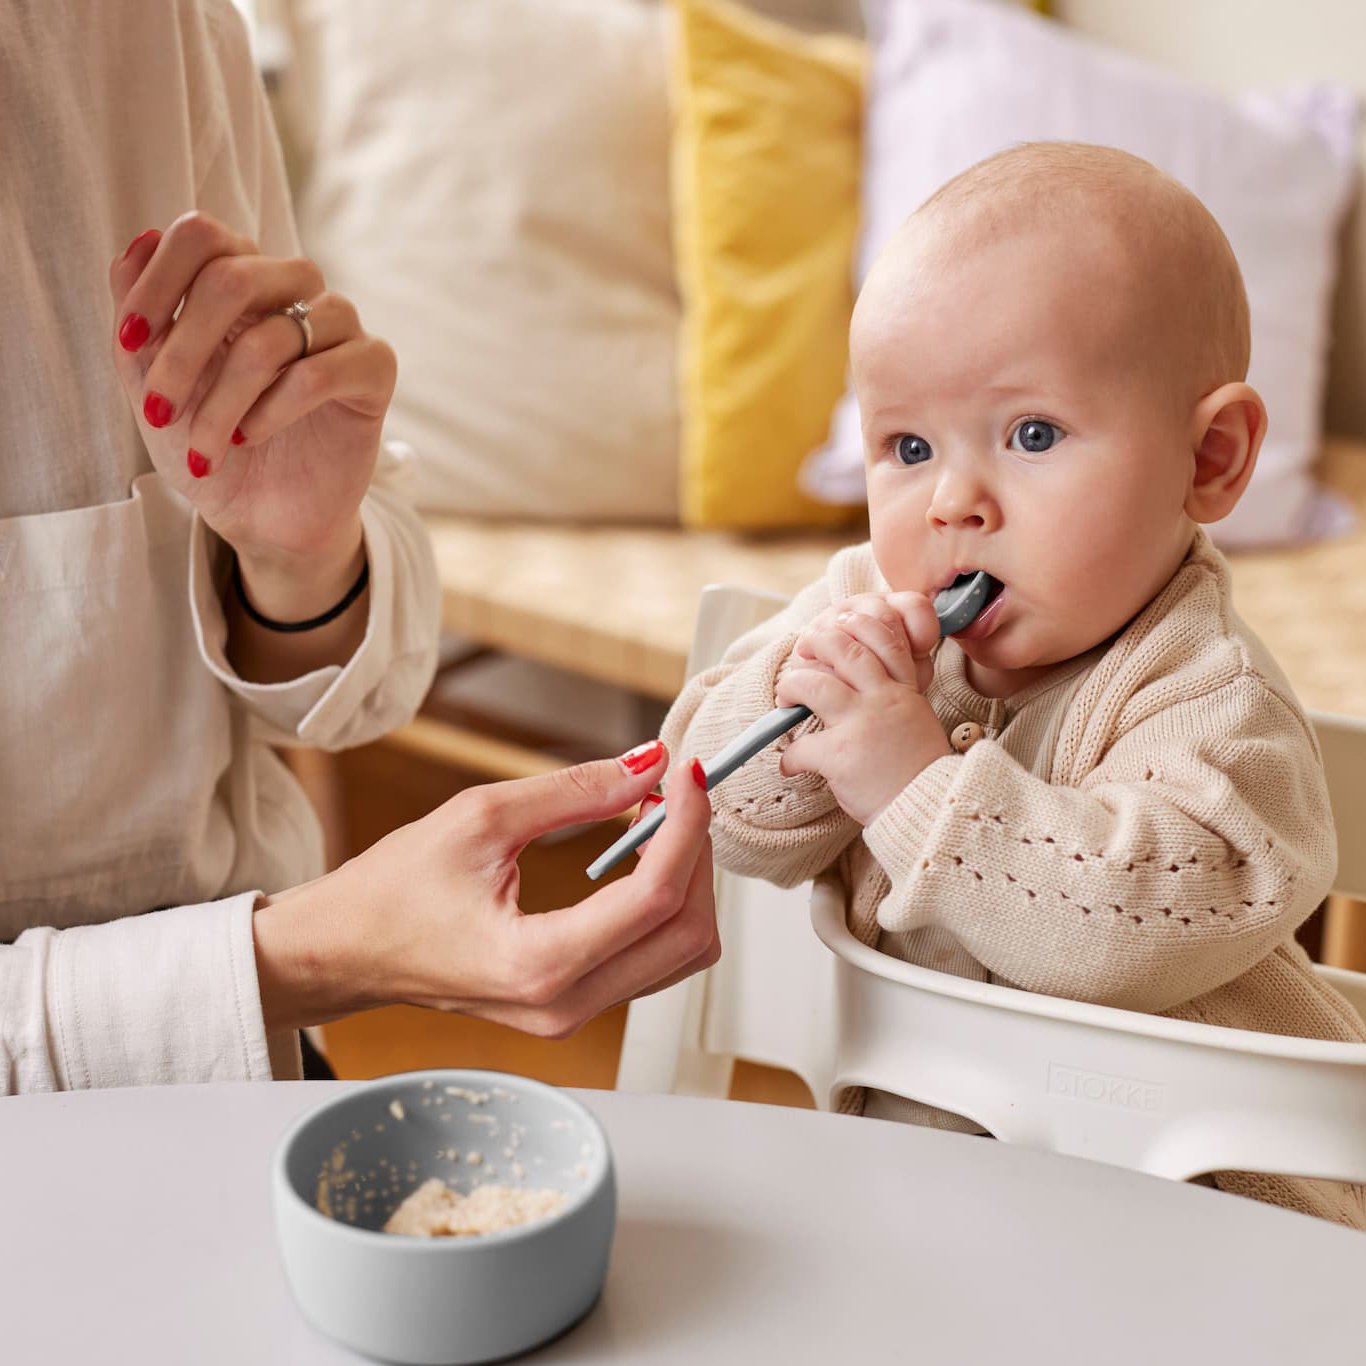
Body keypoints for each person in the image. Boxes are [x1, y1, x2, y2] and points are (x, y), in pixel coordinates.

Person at [0, 0, 716, 1093]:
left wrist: (298, 560)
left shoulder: (169, 33)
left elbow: (324, 669)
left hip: (257, 1074)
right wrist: (319, 951)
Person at [661, 142, 1366, 1227]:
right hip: (934, 1208)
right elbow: (720, 814)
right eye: (904, 445)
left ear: (1210, 459)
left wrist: (905, 780)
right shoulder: (860, 605)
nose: (951, 502)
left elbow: (1123, 932)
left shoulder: (1211, 700)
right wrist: (796, 703)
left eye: (1030, 433)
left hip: (1211, 1242)